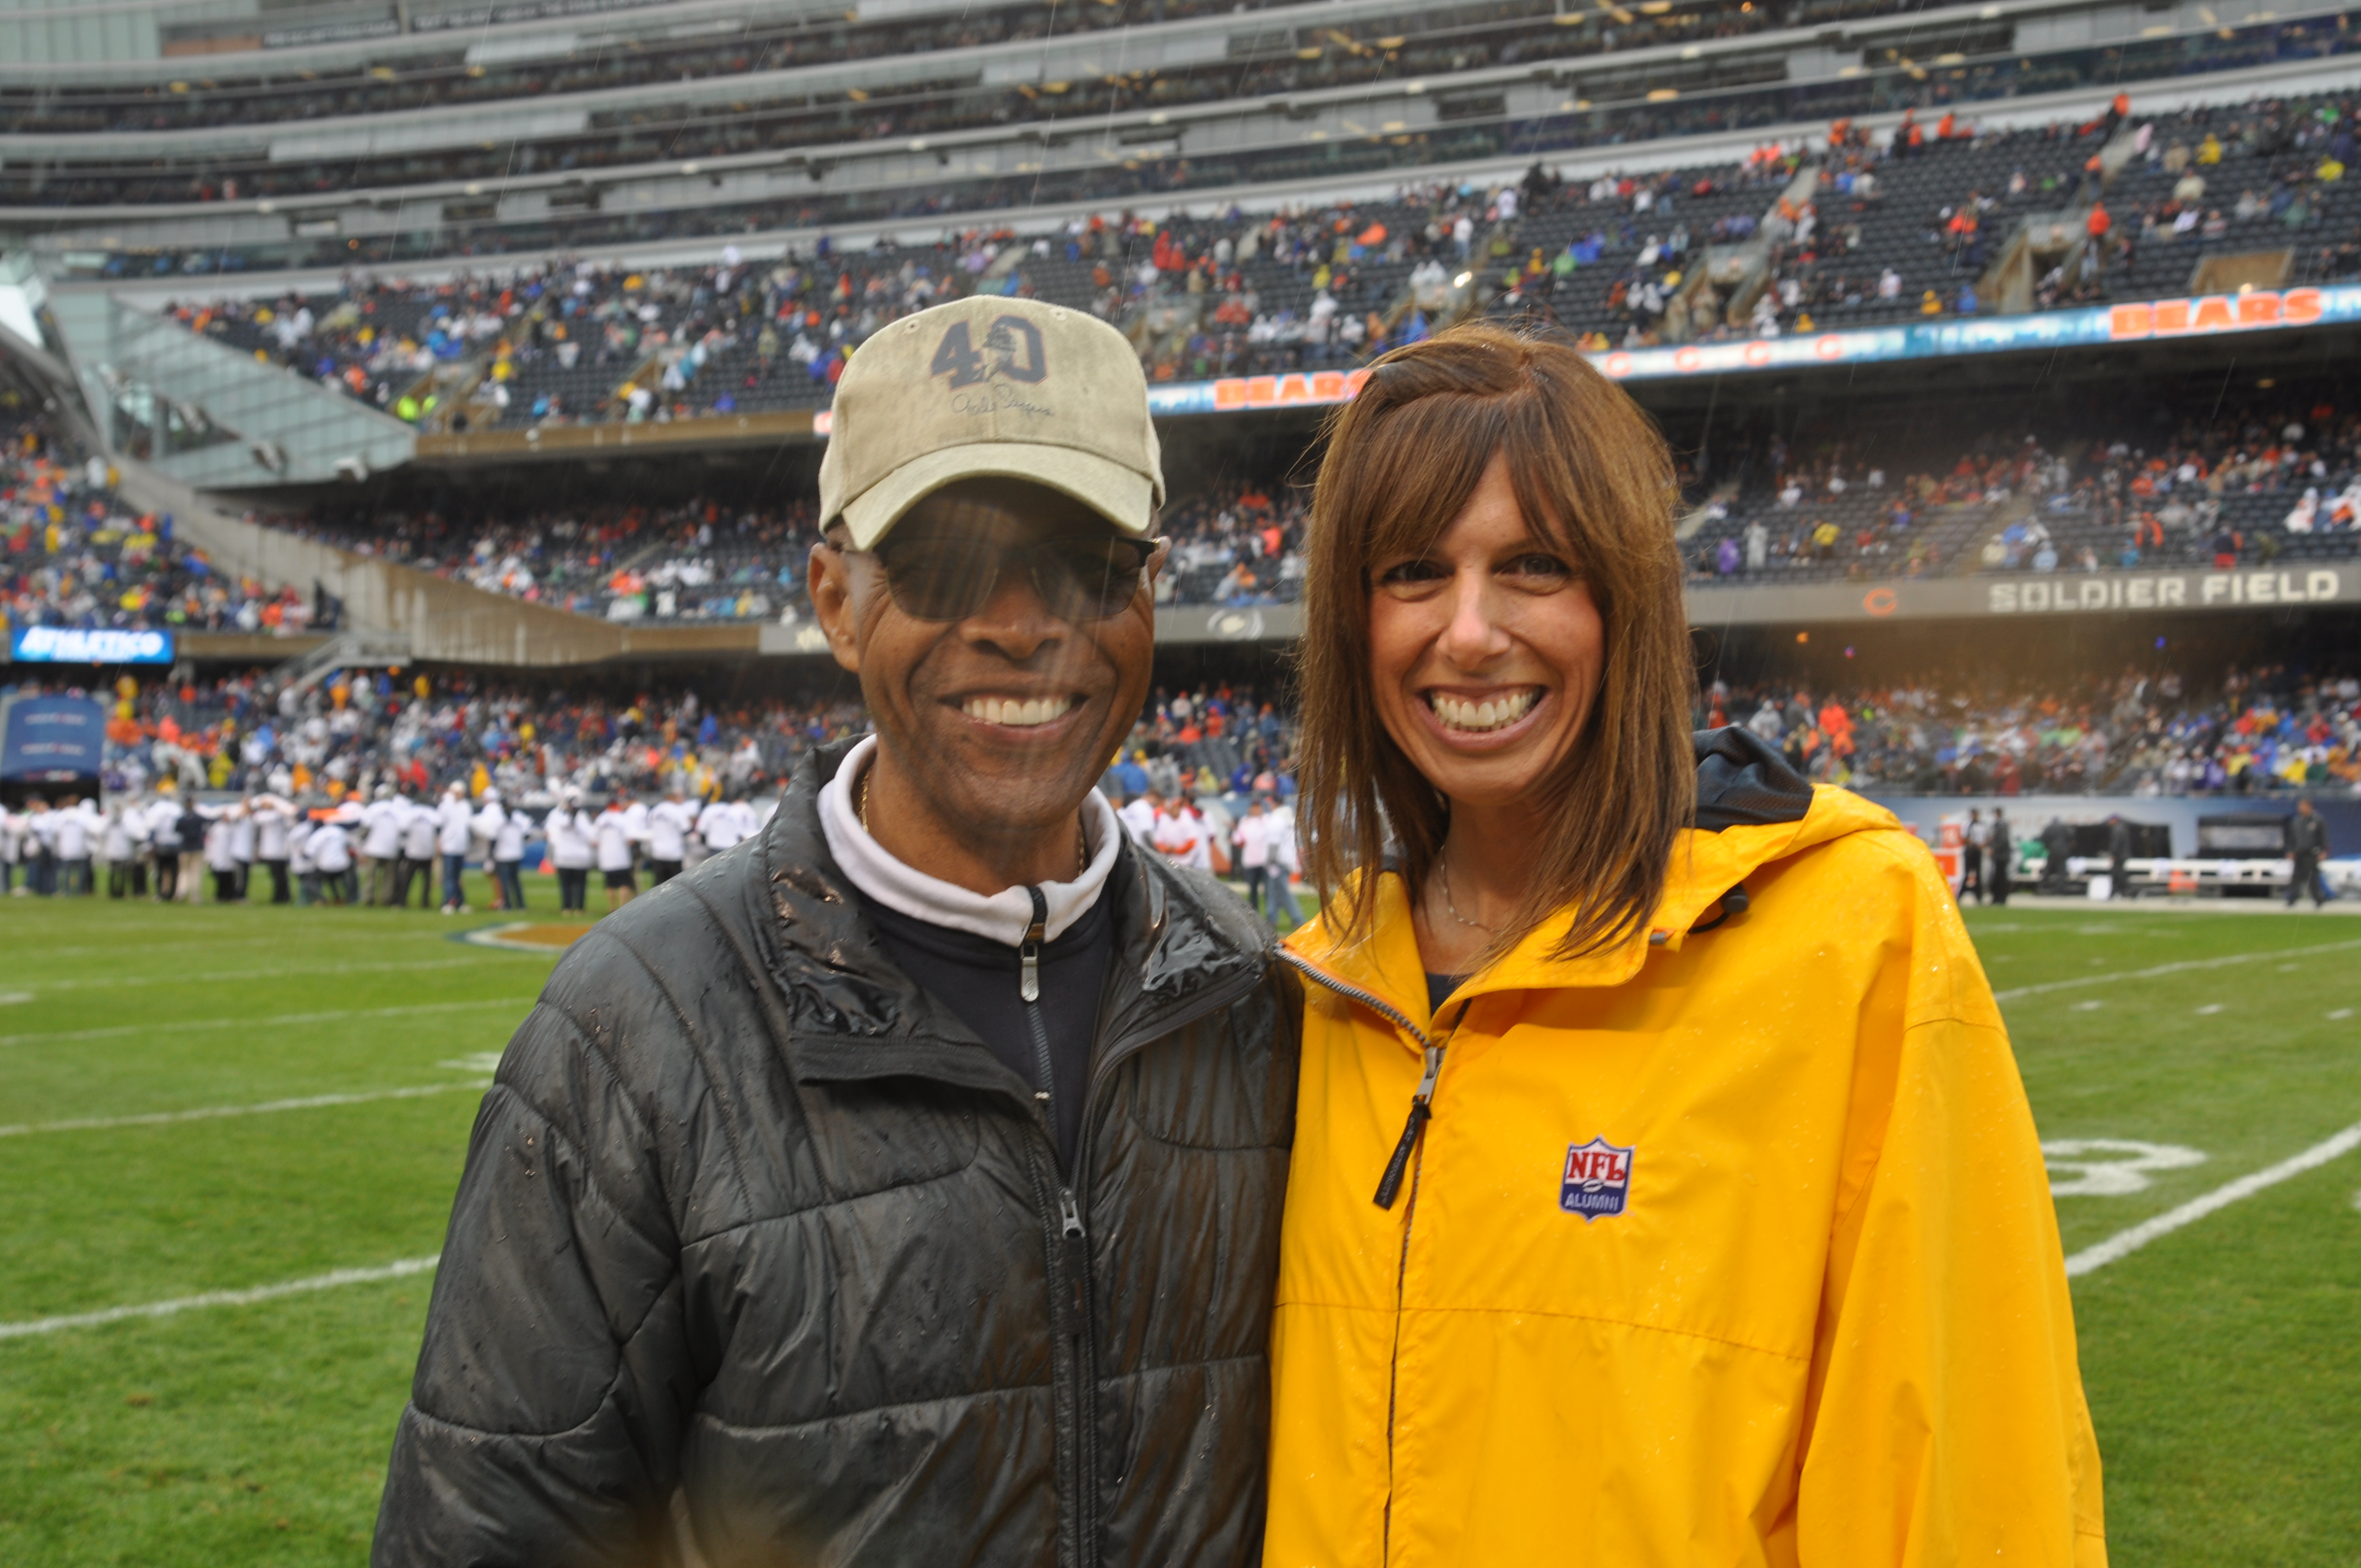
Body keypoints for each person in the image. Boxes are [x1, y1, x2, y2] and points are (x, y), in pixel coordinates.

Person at [376, 294, 1298, 1565]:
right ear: (835, 596)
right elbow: (494, 1532)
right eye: (941, 561)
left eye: (1084, 563)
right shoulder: (631, 1031)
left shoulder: (1248, 988)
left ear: (1151, 589)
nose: (1020, 622)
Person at [1266, 324, 2103, 1563]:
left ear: (1625, 597)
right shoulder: (1316, 988)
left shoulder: (1847, 927)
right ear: (1351, 620)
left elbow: (1971, 1473)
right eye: (1409, 572)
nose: (1468, 632)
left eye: (1533, 565)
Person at [592, 788, 644, 910]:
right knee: (624, 883)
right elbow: (630, 839)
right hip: (621, 856)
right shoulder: (623, 819)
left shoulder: (601, 819)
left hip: (606, 857)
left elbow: (594, 841)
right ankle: (622, 907)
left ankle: (611, 908)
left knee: (610, 884)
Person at [544, 788, 594, 913]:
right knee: (567, 884)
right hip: (566, 855)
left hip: (576, 855)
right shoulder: (558, 815)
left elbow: (589, 834)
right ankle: (568, 907)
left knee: (578, 884)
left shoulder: (581, 816)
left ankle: (578, 908)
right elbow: (551, 834)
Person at [644, 783, 696, 885]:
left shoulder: (655, 810)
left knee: (659, 884)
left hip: (658, 852)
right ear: (673, 797)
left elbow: (649, 828)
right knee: (676, 885)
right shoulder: (677, 810)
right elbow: (687, 830)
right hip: (674, 852)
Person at [436, 781, 474, 914]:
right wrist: (439, 842)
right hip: (449, 845)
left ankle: (459, 902)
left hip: (461, 846)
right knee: (450, 877)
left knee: (457, 877)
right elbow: (439, 825)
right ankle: (449, 902)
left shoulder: (466, 806)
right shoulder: (446, 806)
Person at [1233, 794, 1276, 913]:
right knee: (1253, 891)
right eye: (1254, 807)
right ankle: (1254, 915)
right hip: (1251, 861)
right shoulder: (1245, 821)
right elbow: (1238, 840)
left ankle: (1271, 916)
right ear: (1250, 808)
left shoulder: (1267, 819)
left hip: (1265, 861)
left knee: (1269, 890)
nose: (1256, 809)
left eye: (1258, 807)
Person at [2285, 798, 2331, 907]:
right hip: (2299, 853)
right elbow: (2292, 838)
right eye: (2300, 806)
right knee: (2296, 877)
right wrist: (2290, 851)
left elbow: (2323, 837)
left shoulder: (2318, 820)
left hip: (2312, 853)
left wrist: (2323, 851)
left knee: (2313, 877)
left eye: (2303, 806)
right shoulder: (2296, 821)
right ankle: (2292, 898)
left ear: (2310, 807)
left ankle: (2318, 899)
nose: (2301, 809)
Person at [1961, 806, 1986, 903]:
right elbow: (1964, 837)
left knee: (1978, 874)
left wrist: (1982, 845)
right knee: (1967, 873)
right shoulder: (1967, 824)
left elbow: (1986, 837)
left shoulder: (1982, 825)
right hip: (1970, 851)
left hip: (1978, 850)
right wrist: (1972, 844)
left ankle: (1979, 896)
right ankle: (1961, 894)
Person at [1990, 806, 2014, 905]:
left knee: (2001, 877)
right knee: (1999, 876)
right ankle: (1998, 898)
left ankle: (2001, 898)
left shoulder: (2002, 825)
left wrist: (1994, 849)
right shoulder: (1999, 825)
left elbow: (2003, 840)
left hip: (2002, 855)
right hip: (2001, 855)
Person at [2106, 813, 2132, 900]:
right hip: (2122, 856)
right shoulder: (2123, 829)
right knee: (2118, 875)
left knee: (2118, 875)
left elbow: (2116, 844)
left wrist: (2113, 854)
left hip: (2119, 856)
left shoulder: (2117, 830)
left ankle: (2132, 891)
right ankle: (2116, 893)